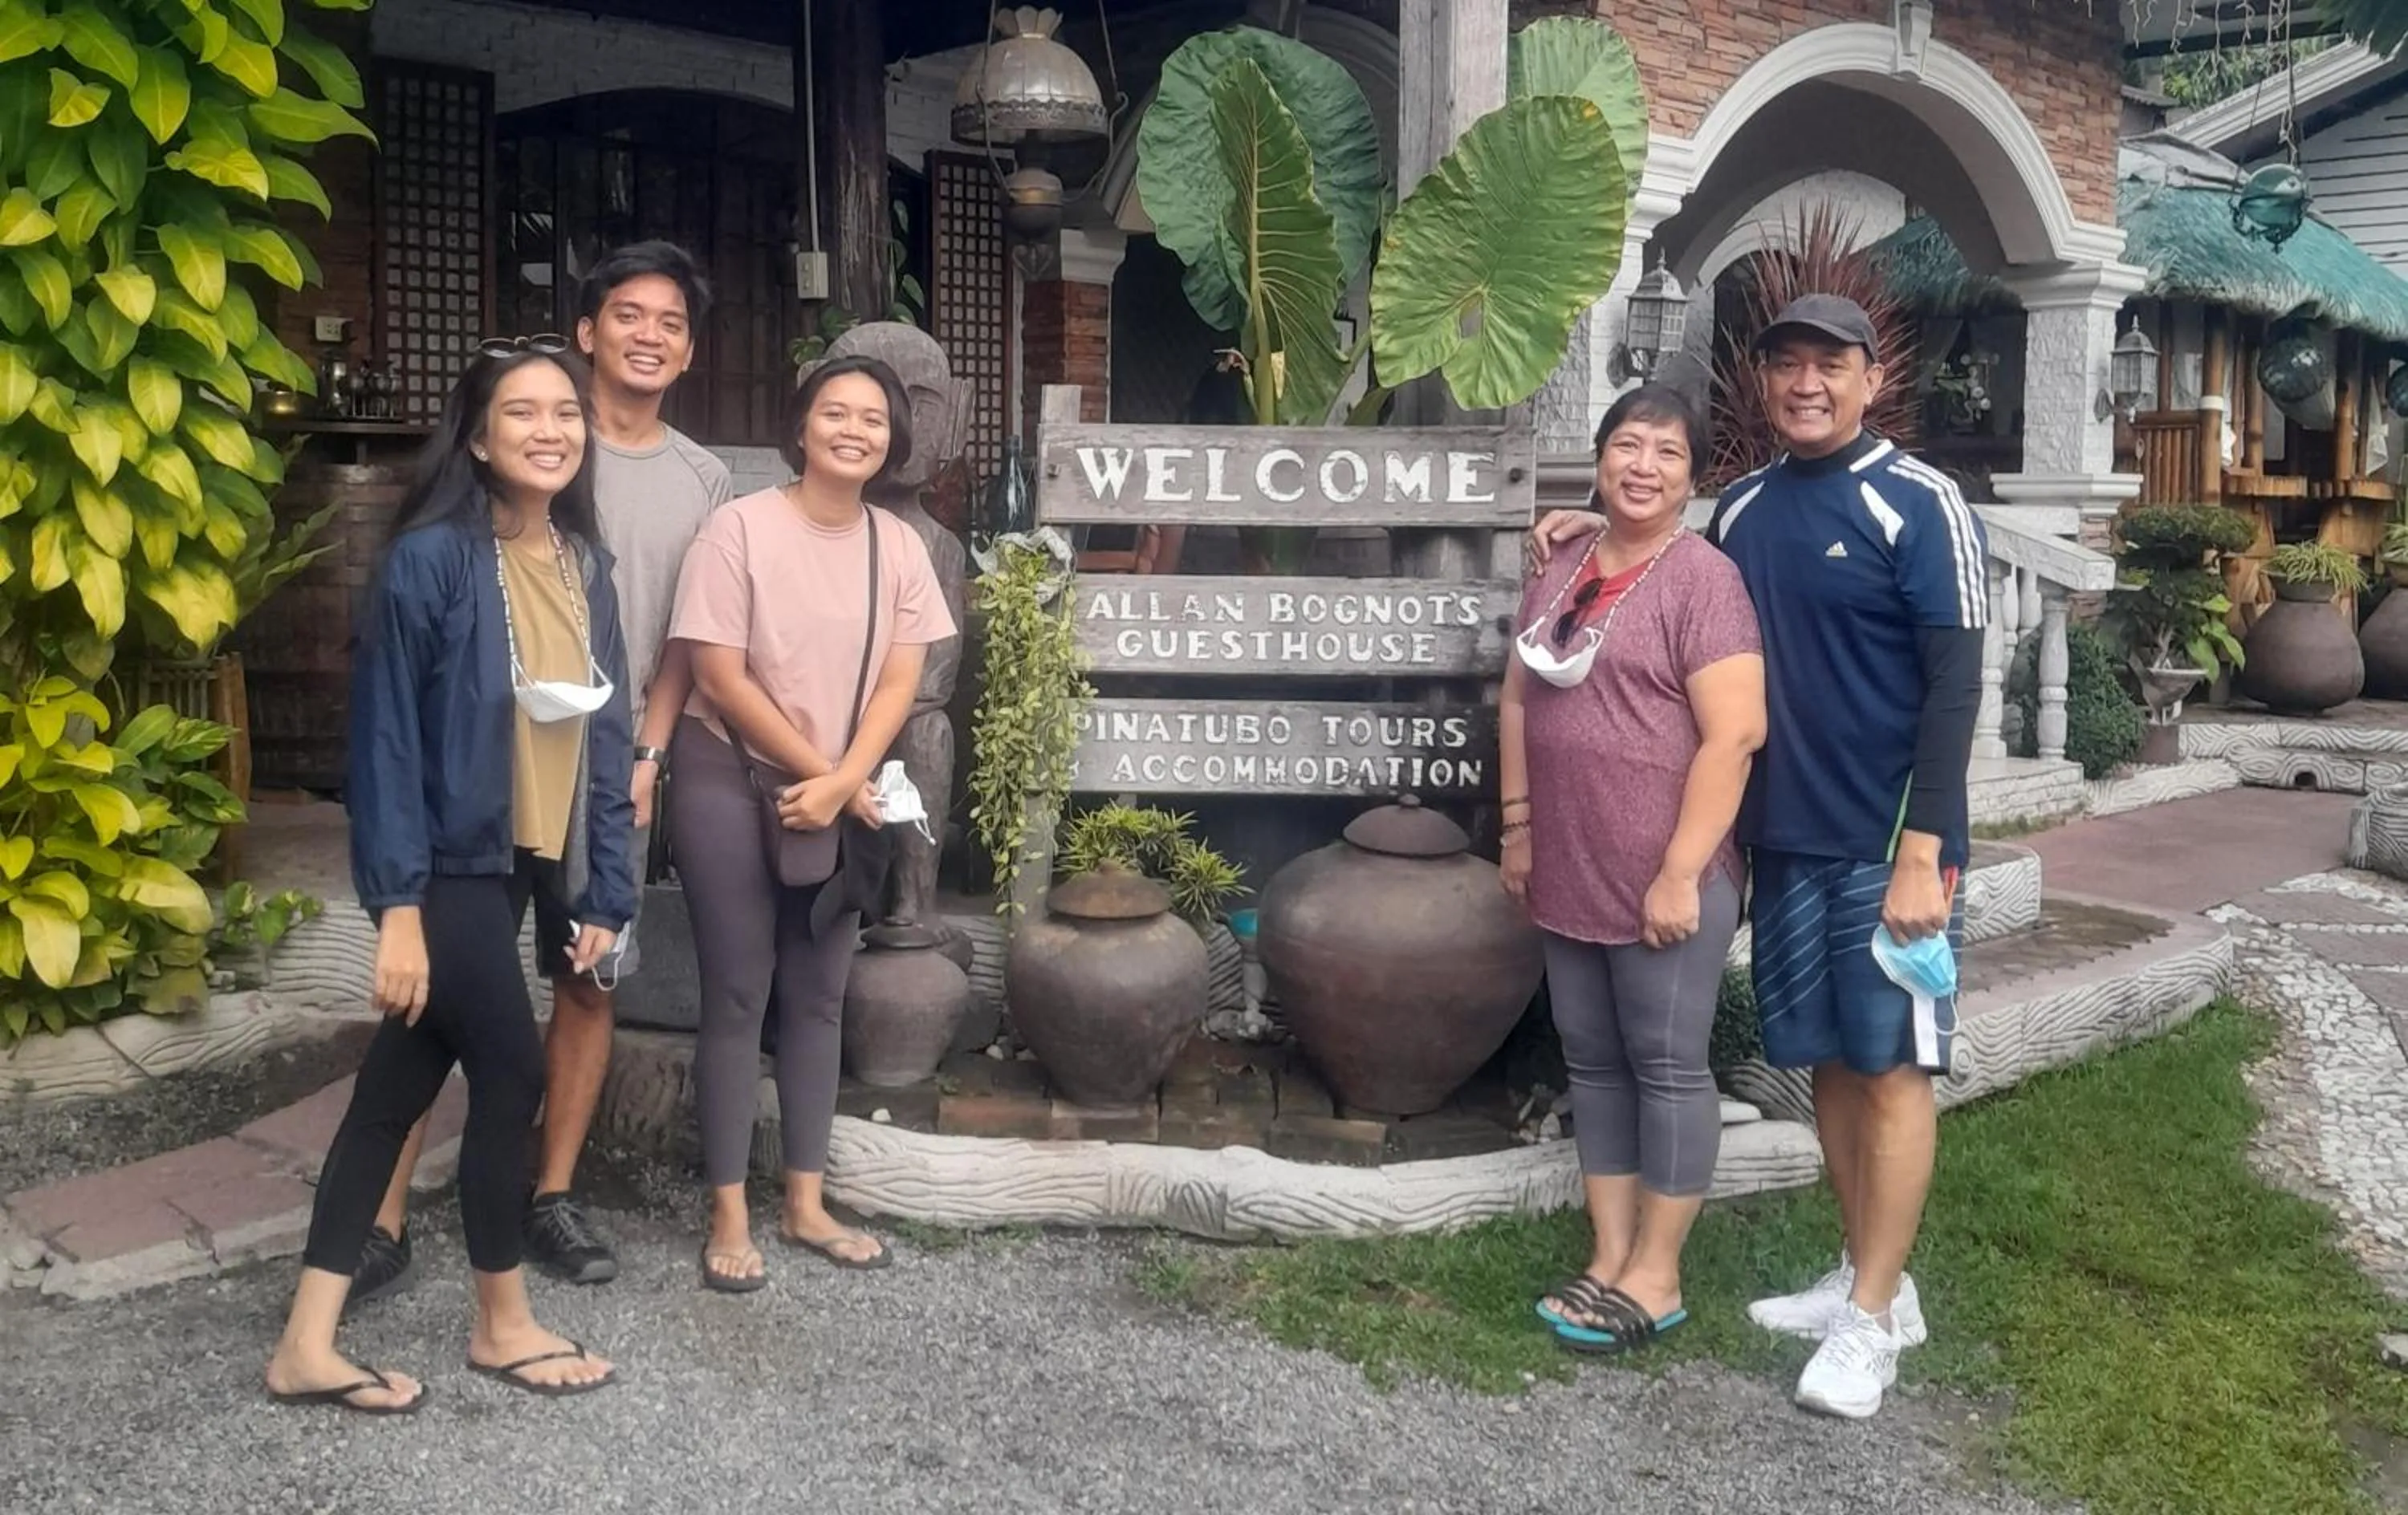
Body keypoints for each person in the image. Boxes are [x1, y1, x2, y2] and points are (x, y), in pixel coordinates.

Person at [1529, 294, 1986, 1418]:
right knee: (1828, 1062)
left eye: (1831, 364)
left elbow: (1956, 684)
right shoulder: (1744, 512)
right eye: (1787, 365)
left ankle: (1875, 1320)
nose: (1807, 383)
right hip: (1781, 837)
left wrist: (1926, 846)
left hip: (1888, 850)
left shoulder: (1920, 502)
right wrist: (1578, 531)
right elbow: (1658, 564)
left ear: (1871, 379)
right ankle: (1861, 1274)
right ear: (1766, 384)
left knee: (1891, 1069)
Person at [355, 243, 732, 1300]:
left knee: (587, 976)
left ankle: (550, 1195)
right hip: (484, 772)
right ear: (586, 331)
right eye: (628, 314)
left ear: (689, 348)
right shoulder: (534, 443)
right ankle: (380, 1212)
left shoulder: (703, 479)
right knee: (438, 988)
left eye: (670, 321)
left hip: (604, 767)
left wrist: (648, 753)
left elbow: (687, 637)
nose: (648, 335)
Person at [265, 343, 634, 1411]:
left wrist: (604, 891)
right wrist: (398, 911)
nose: (551, 429)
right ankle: (501, 1322)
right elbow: (381, 746)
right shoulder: (429, 560)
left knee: (392, 1093)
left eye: (566, 411)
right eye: (523, 413)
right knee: (511, 1071)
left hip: (526, 864)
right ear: (477, 438)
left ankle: (306, 1345)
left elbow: (605, 746)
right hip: (449, 865)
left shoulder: (585, 567)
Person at [667, 355, 955, 1291]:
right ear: (801, 428)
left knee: (822, 997)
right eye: (836, 412)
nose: (855, 429)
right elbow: (717, 674)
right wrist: (822, 773)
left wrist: (845, 779)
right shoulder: (737, 529)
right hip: (728, 774)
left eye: (873, 418)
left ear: (892, 442)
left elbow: (901, 681)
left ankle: (805, 1200)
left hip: (842, 786)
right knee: (740, 994)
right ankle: (726, 1211)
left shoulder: (898, 546)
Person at [1502, 386, 1766, 1355]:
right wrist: (1519, 826)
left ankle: (1659, 1273)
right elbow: (1522, 690)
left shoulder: (1704, 581)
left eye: (1665, 450)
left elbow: (1735, 734)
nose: (1641, 465)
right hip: (1567, 861)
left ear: (1693, 478)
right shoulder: (1566, 560)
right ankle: (1610, 1251)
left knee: (1664, 1064)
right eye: (1625, 445)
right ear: (1600, 459)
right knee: (1593, 1060)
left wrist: (1681, 873)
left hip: (1666, 870)